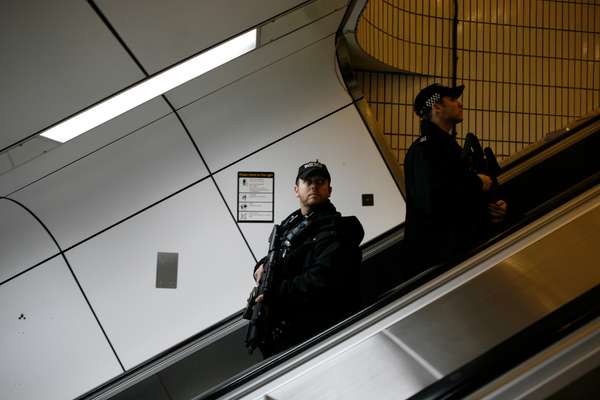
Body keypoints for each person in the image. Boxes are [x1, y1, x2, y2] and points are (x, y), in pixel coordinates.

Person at [251, 160, 364, 357]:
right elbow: (282, 253)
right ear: (296, 189)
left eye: (320, 181)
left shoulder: (336, 229)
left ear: (329, 190)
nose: (314, 186)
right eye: (307, 181)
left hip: (314, 333)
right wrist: (261, 265)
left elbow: (321, 280)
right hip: (282, 329)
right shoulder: (292, 224)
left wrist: (276, 292)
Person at [404, 83, 507, 269]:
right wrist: (477, 183)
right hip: (440, 258)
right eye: (452, 99)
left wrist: (494, 206)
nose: (460, 103)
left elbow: (458, 193)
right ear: (436, 107)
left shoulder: (448, 147)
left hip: (457, 252)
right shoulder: (424, 150)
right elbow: (435, 199)